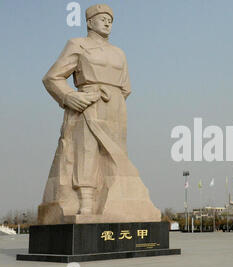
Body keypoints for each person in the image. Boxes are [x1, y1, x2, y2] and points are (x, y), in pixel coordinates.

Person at [38, 4, 160, 224]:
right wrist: (69, 96)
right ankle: (86, 202)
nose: (107, 23)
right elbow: (52, 77)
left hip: (115, 108)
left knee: (115, 156)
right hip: (88, 103)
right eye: (102, 18)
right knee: (86, 152)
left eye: (110, 20)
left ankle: (115, 201)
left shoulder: (119, 53)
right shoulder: (78, 45)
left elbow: (126, 87)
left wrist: (114, 103)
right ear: (89, 22)